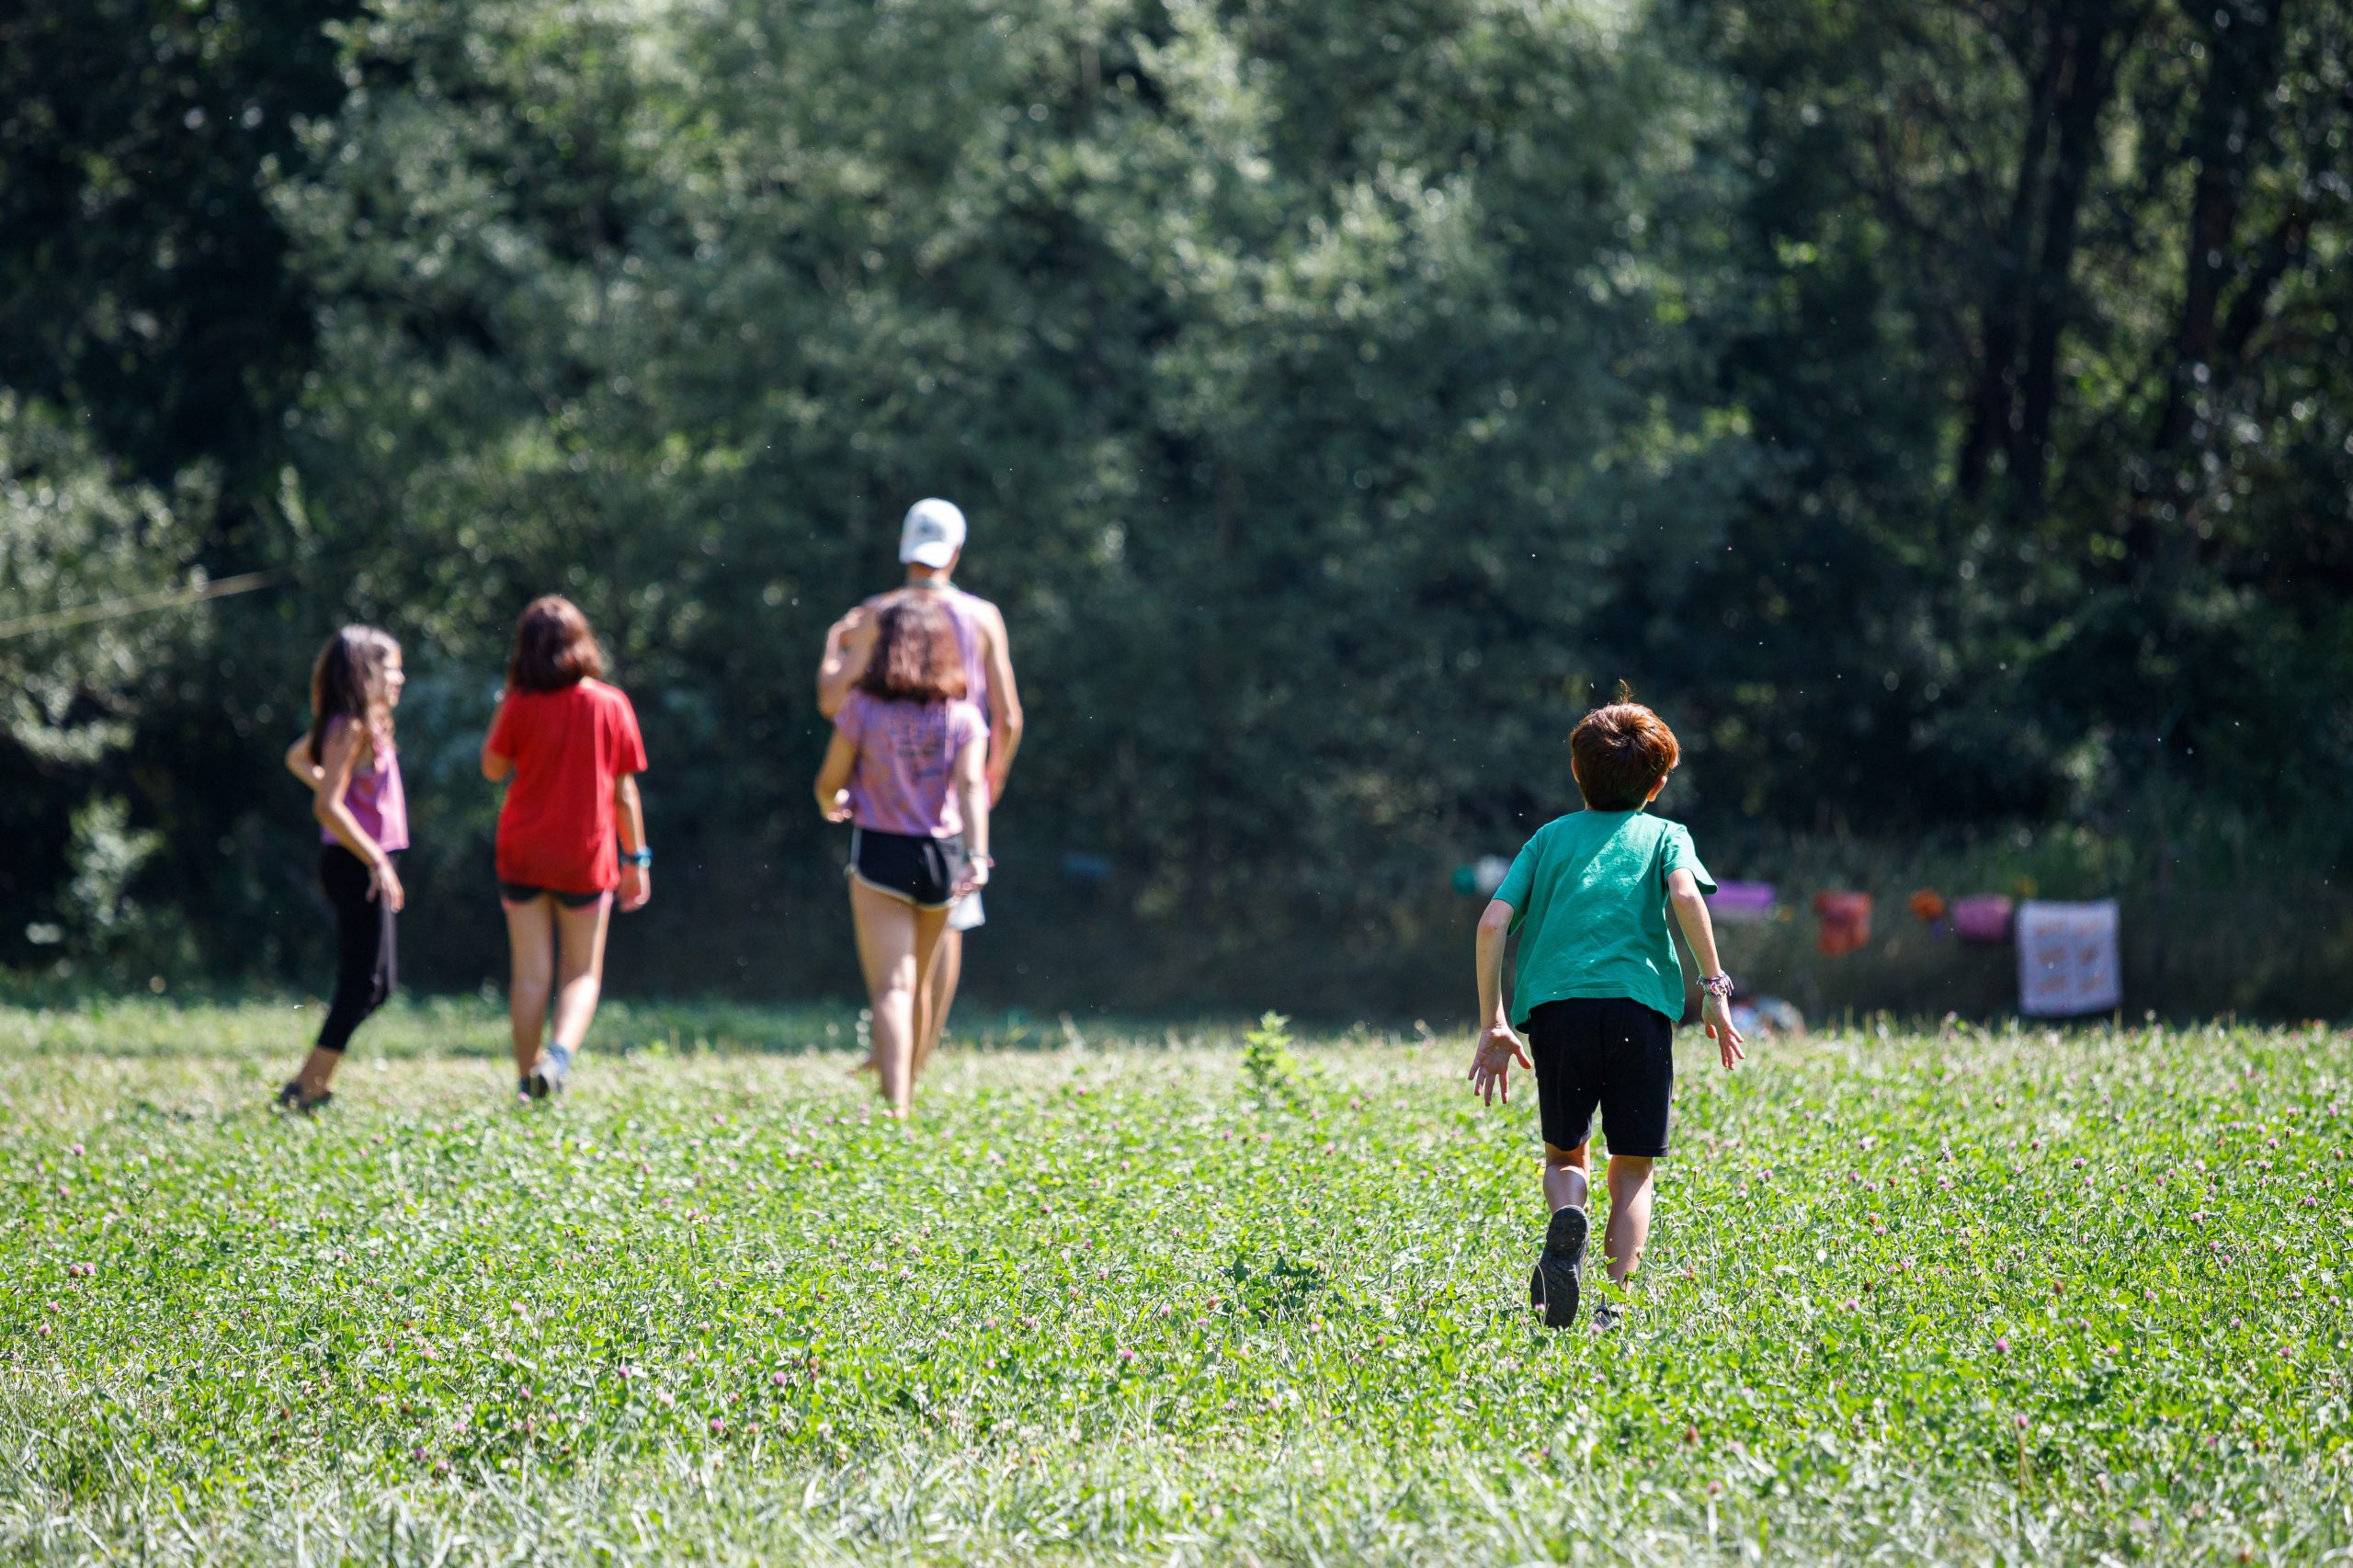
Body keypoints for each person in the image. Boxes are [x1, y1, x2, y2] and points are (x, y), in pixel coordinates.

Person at [1467, 692, 1746, 1329]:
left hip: (1558, 1012)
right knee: (1634, 1167)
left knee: (1566, 1155)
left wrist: (1495, 1023)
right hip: (1637, 1011)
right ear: (1658, 783)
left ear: (1576, 771)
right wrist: (1714, 988)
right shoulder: (1667, 835)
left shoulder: (1548, 839)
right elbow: (1686, 896)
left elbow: (1491, 924)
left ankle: (1569, 1214)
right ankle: (1613, 1305)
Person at [816, 498, 1022, 1075]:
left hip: (888, 791)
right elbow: (1009, 717)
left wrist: (833, 645)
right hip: (956, 789)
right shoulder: (983, 616)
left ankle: (897, 1063)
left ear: (904, 548)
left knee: (895, 950)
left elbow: (834, 702)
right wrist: (987, 784)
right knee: (946, 926)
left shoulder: (879, 613)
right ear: (957, 551)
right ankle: (912, 1061)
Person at [813, 597, 991, 1118]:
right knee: (921, 986)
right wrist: (978, 855)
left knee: (893, 985)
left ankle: (897, 1106)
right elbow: (972, 786)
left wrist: (832, 804)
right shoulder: (963, 716)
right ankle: (908, 1082)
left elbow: (828, 782)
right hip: (942, 856)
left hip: (882, 852)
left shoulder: (862, 709)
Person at [481, 596, 651, 1103]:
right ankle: (556, 1060)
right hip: (584, 855)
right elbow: (624, 793)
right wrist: (636, 859)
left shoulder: (519, 704)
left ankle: (524, 1084)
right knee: (580, 972)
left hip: (523, 852)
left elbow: (492, 768)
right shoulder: (610, 704)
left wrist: (507, 701)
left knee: (530, 975)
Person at [275, 625, 408, 1112]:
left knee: (379, 986)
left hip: (367, 861)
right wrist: (375, 858)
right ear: (365, 673)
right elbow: (327, 807)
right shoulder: (349, 727)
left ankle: (308, 1083)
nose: (400, 678)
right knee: (362, 985)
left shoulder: (364, 724)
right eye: (392, 669)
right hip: (356, 864)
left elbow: (297, 758)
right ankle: (307, 1088)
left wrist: (340, 787)